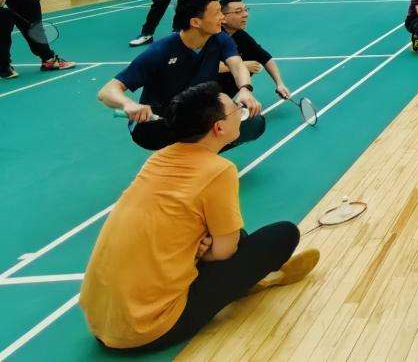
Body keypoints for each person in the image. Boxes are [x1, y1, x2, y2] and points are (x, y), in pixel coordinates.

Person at [80, 81, 318, 351]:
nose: (240, 110)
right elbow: (225, 251)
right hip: (147, 329)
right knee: (283, 234)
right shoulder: (219, 170)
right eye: (235, 108)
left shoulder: (159, 157)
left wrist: (207, 246)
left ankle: (246, 278)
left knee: (231, 233)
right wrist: (207, 253)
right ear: (219, 128)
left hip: (100, 321)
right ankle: (256, 280)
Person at [99, 0, 265, 152]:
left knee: (253, 123)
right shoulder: (161, 50)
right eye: (217, 13)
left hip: (196, 115)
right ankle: (182, 157)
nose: (222, 17)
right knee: (201, 133)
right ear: (195, 22)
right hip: (160, 121)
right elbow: (107, 91)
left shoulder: (220, 38)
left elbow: (237, 65)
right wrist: (128, 104)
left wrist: (245, 89)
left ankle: (195, 155)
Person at [216, 0, 291, 99]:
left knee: (250, 59)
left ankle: (228, 99)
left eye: (246, 10)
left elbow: (265, 57)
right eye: (238, 12)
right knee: (245, 66)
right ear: (223, 18)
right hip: (200, 87)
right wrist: (243, 65)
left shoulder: (239, 34)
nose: (245, 15)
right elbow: (205, 65)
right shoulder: (213, 36)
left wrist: (279, 84)